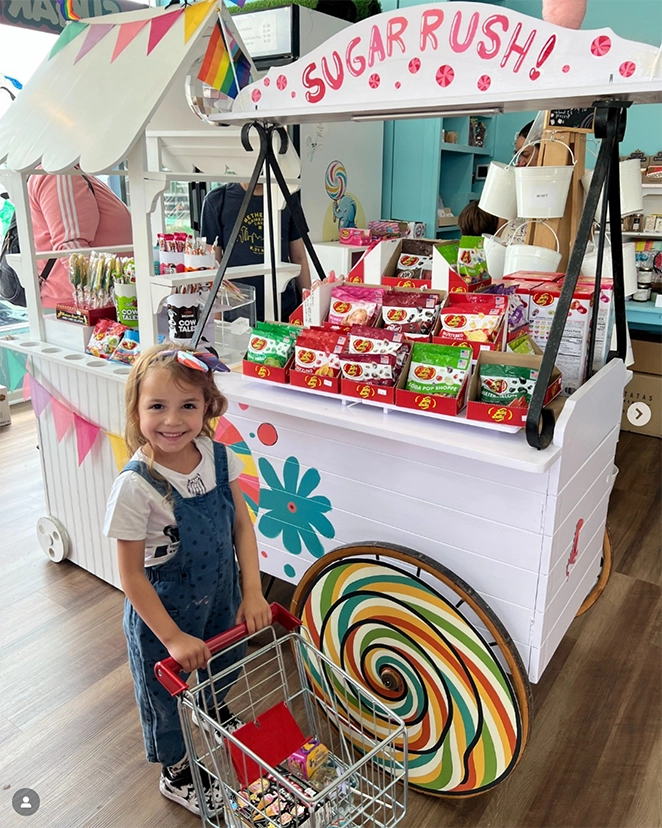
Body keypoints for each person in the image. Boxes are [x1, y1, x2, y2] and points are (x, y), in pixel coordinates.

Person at [103, 345, 271, 815]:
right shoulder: (136, 486)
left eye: (188, 406)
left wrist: (253, 590)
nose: (172, 420)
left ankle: (215, 707)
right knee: (164, 696)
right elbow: (131, 575)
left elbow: (241, 526)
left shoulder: (219, 458)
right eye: (157, 406)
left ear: (207, 407)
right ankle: (176, 770)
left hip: (221, 593)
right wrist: (173, 636)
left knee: (223, 661)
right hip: (164, 612)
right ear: (136, 409)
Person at [200, 182, 311, 321]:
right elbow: (213, 266)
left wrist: (308, 307)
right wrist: (216, 319)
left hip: (283, 308)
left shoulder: (286, 196)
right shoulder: (217, 199)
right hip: (236, 312)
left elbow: (299, 257)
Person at [28, 172, 132, 308]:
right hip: (85, 309)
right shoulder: (61, 174)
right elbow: (72, 248)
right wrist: (101, 299)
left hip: (95, 306)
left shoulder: (71, 173)